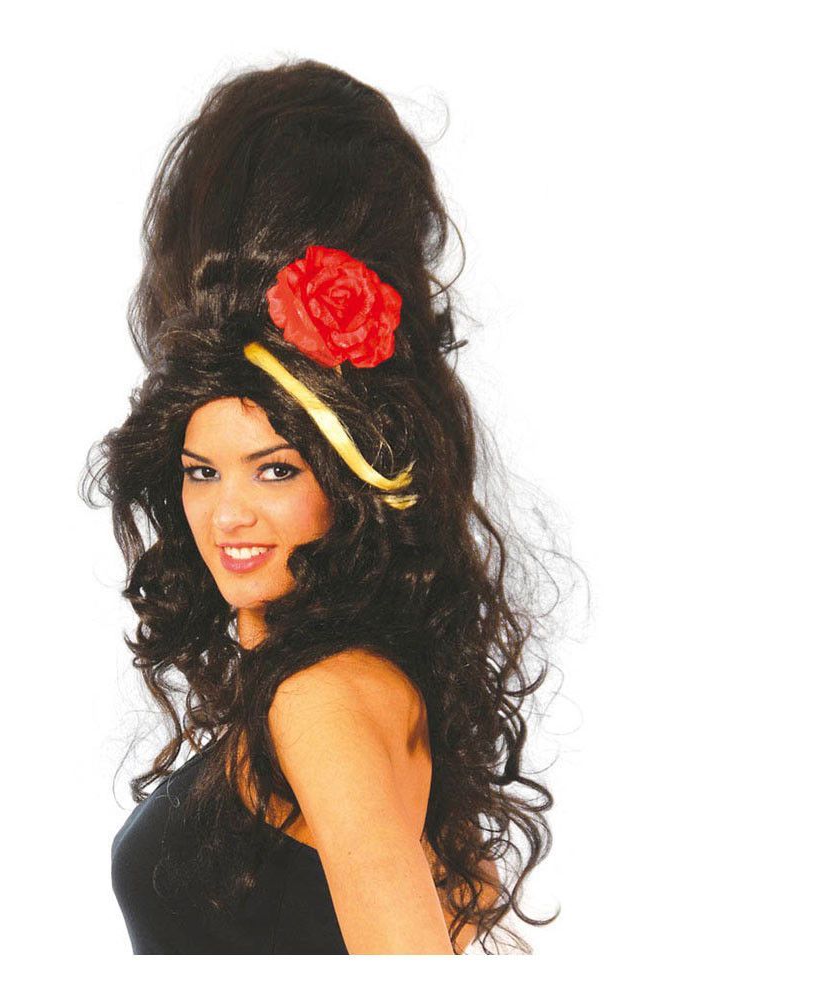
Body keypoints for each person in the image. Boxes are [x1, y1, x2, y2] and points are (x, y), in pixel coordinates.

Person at [82, 58, 562, 955]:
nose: (228, 516)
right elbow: (458, 905)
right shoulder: (365, 679)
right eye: (200, 472)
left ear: (348, 481)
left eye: (274, 471)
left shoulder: (317, 700)